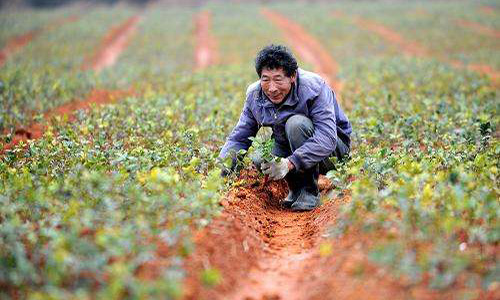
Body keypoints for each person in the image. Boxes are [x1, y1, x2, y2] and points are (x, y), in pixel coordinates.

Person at [219, 44, 352, 211]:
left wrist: (290, 163)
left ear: (292, 76)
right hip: (289, 143)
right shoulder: (255, 95)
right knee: (261, 157)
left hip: (333, 152)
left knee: (296, 124)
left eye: (278, 79)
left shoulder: (313, 88)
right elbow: (239, 138)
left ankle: (308, 191)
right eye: (265, 79)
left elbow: (327, 138)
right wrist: (220, 174)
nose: (272, 88)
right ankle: (295, 189)